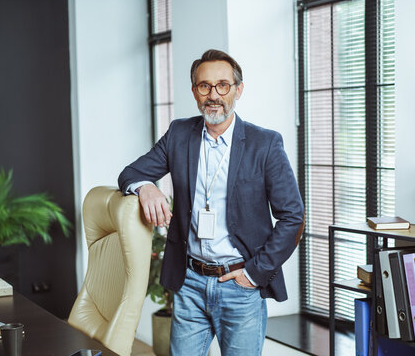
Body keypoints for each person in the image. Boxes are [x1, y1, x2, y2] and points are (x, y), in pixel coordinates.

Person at [118, 49, 304, 356]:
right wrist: (146, 188)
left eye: (222, 85)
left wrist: (255, 274)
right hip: (190, 282)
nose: (213, 94)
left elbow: (293, 216)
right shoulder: (180, 134)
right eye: (204, 86)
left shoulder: (265, 143)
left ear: (238, 90)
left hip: (240, 285)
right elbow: (131, 173)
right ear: (194, 92)